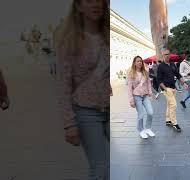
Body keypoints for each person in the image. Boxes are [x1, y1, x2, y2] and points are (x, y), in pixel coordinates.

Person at [55, 0, 110, 179]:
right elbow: (63, 85)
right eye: (88, 0)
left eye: (99, 0)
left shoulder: (107, 37)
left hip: (111, 109)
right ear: (78, 6)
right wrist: (69, 124)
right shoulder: (70, 41)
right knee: (100, 169)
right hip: (87, 112)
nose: (95, 4)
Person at [157, 49, 187, 132]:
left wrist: (183, 83)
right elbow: (159, 79)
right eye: (165, 54)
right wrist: (165, 88)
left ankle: (168, 120)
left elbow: (178, 75)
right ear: (163, 55)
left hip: (174, 88)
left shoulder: (172, 64)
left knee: (169, 104)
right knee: (173, 105)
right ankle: (174, 123)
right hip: (167, 89)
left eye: (168, 54)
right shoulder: (160, 66)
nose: (167, 55)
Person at [127, 56, 155, 139]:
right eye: (137, 61)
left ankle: (148, 128)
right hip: (136, 96)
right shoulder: (131, 73)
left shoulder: (145, 71)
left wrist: (150, 91)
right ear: (134, 63)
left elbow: (149, 83)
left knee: (150, 112)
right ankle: (141, 130)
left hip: (145, 95)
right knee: (141, 115)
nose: (139, 63)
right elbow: (129, 88)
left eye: (140, 61)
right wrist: (131, 100)